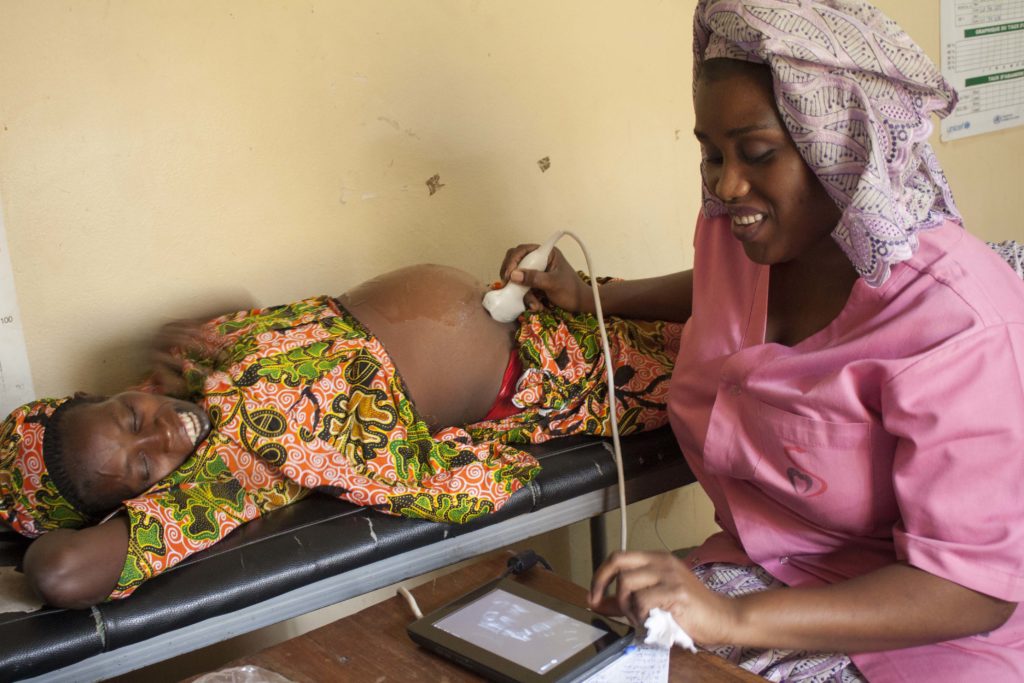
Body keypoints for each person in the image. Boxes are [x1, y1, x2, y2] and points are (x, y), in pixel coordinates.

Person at [501, 1, 1024, 680]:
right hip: (765, 569)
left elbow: (970, 588)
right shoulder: (742, 236)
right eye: (710, 153)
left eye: (757, 153)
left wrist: (731, 620)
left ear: (842, 149)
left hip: (924, 629)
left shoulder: (958, 325)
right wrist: (596, 295)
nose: (725, 184)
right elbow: (721, 294)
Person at [1, 264, 682, 608]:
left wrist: (168, 343)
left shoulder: (194, 364)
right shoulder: (216, 480)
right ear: (139, 499)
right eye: (142, 466)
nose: (159, 435)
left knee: (737, 311)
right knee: (735, 366)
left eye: (128, 418)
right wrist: (29, 527)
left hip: (534, 310)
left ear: (110, 392)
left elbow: (247, 305)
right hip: (558, 376)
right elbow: (58, 572)